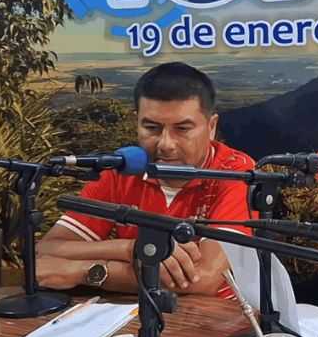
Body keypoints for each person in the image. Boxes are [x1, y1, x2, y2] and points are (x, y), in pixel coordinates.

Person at [37, 62, 254, 299]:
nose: (166, 144)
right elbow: (47, 252)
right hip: (134, 311)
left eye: (182, 129)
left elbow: (202, 280)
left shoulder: (236, 172)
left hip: (218, 315)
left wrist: (83, 271)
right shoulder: (120, 168)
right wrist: (131, 248)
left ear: (211, 127)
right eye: (151, 127)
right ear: (137, 123)